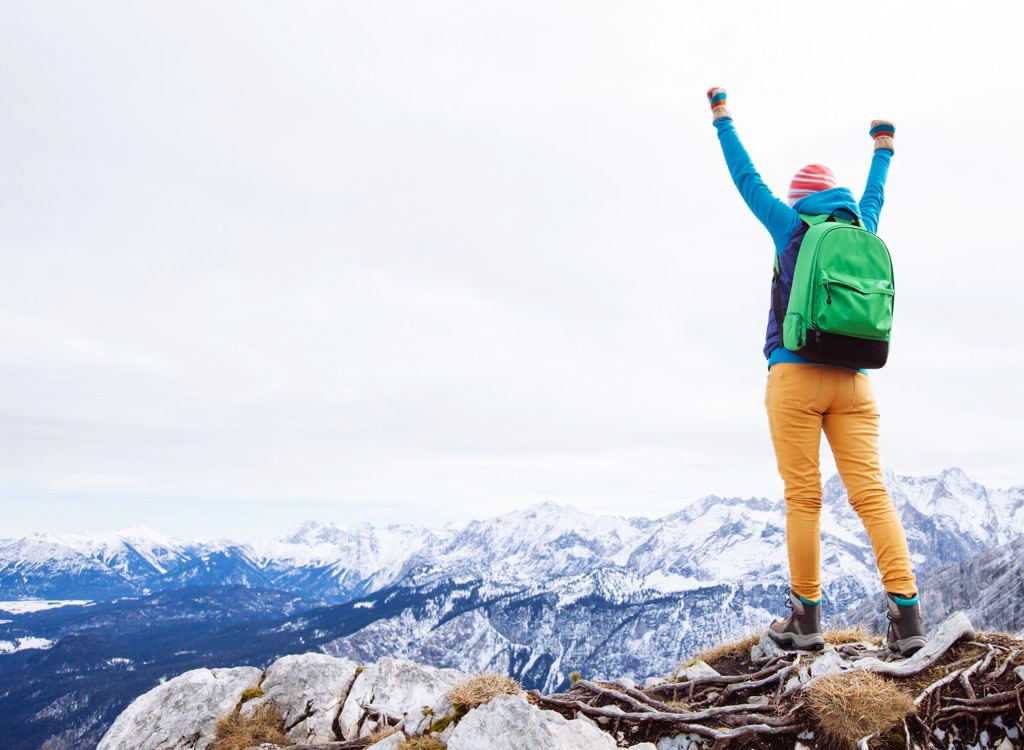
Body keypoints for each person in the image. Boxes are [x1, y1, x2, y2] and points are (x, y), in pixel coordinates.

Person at [705, 86, 928, 657]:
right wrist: (884, 147)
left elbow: (745, 178)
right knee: (873, 495)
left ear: (801, 199)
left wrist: (723, 118)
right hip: (856, 380)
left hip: (796, 377)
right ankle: (907, 619)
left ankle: (805, 620)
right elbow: (876, 191)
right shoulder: (863, 225)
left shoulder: (792, 228)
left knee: (804, 499)